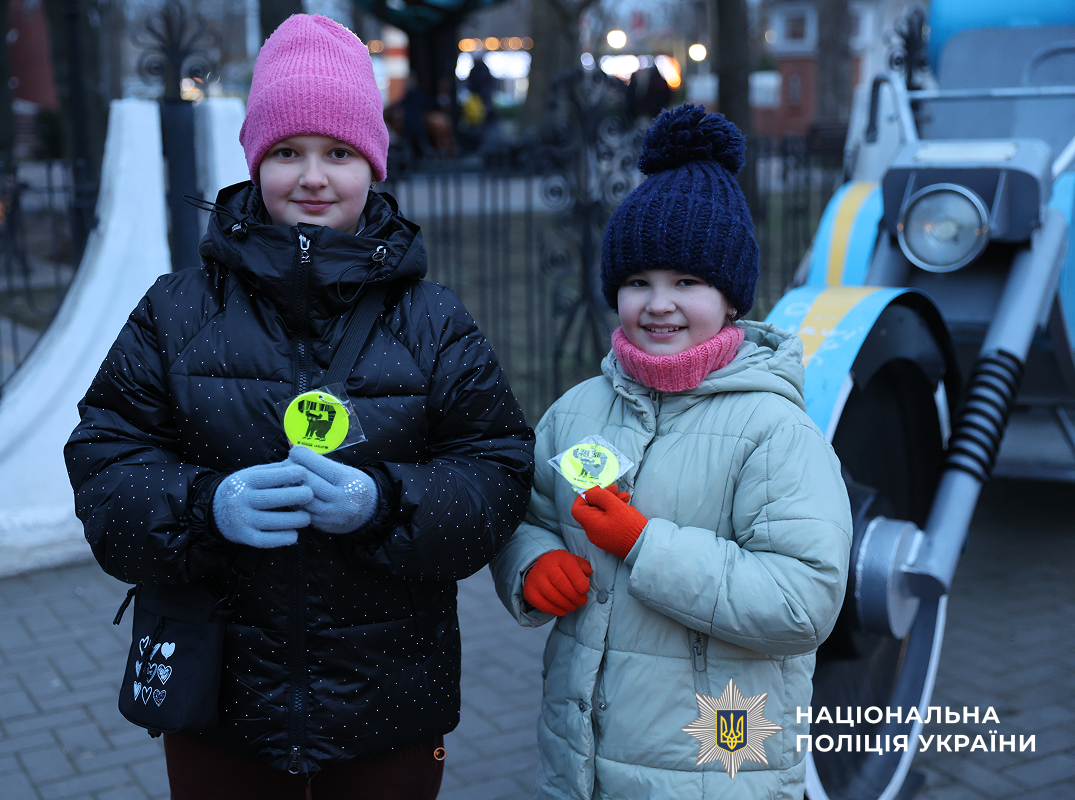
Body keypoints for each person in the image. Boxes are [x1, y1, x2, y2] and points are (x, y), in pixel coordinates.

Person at [65, 14, 534, 800]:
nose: (313, 177)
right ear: (255, 163)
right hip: (223, 707)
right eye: (287, 152)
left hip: (390, 703)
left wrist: (384, 503)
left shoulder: (433, 321)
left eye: (338, 153)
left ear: (373, 165)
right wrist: (206, 506)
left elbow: (498, 471)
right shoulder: (175, 312)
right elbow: (104, 462)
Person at [491, 104, 851, 800]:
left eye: (687, 282)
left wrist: (644, 544)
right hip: (581, 761)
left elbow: (803, 602)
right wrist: (530, 564)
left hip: (717, 765)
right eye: (638, 282)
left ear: (731, 298)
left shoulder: (774, 431)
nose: (659, 304)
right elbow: (523, 513)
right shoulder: (577, 412)